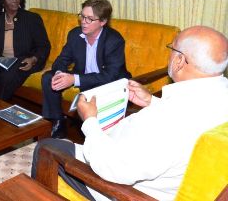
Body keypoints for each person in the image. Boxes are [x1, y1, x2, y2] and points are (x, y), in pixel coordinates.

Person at [32, 26, 228, 201]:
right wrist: (152, 101)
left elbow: (115, 170)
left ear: (179, 60)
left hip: (129, 189)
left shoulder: (167, 120)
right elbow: (185, 120)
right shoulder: (220, 95)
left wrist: (90, 121)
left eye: (172, 48)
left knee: (46, 147)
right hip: (167, 176)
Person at [42, 0, 131, 138]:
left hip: (108, 82)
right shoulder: (75, 35)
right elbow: (61, 60)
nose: (83, 21)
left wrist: (74, 79)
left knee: (88, 89)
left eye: (90, 19)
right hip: (84, 77)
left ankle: (93, 136)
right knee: (48, 77)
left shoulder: (114, 40)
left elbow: (110, 75)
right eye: (82, 16)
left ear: (102, 22)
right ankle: (58, 121)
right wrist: (60, 74)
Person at [0, 0, 51, 101]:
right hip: (3, 60)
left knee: (9, 76)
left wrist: (33, 59)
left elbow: (44, 46)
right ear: (2, 1)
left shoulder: (32, 18)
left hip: (25, 60)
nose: (15, 0)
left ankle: (0, 105)